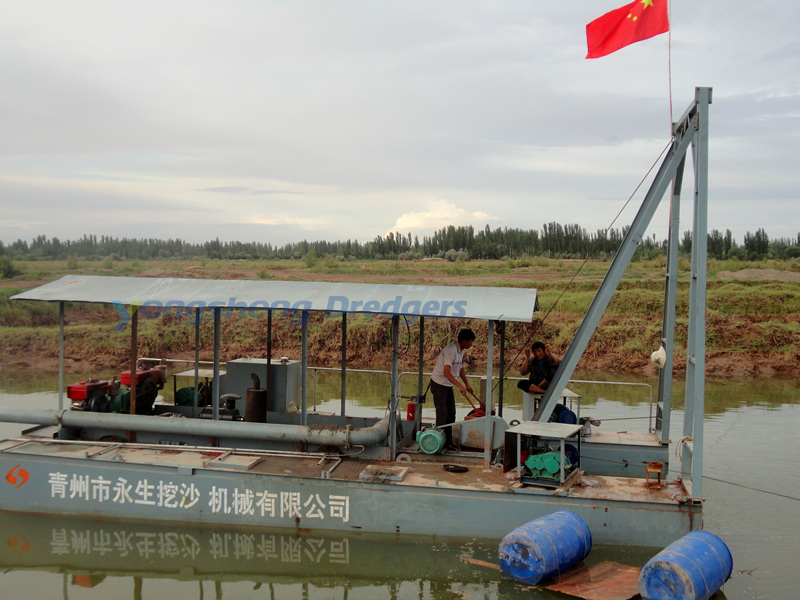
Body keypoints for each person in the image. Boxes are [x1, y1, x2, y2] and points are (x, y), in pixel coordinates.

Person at [430, 328, 476, 450]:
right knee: (442, 414)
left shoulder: (461, 351)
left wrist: (466, 384)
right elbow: (446, 372)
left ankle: (448, 442)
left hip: (447, 385)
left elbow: (460, 368)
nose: (471, 344)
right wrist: (459, 386)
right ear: (464, 340)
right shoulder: (451, 350)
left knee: (451, 414)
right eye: (471, 341)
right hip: (439, 383)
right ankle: (439, 443)